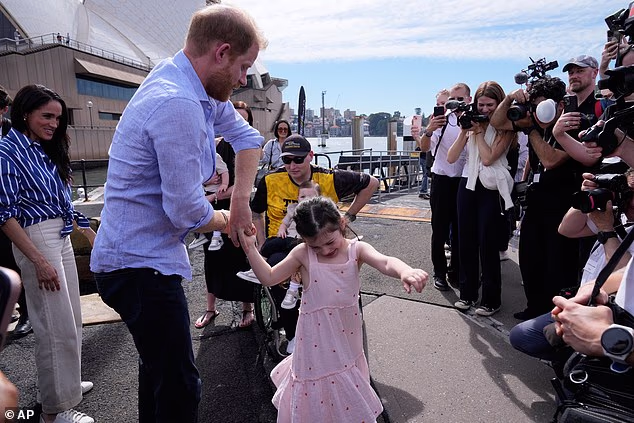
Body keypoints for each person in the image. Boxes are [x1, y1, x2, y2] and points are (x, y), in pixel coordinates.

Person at [90, 5, 266, 422]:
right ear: (222, 52)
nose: (244, 80)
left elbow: (248, 136)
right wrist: (232, 220)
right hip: (138, 266)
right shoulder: (179, 103)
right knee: (181, 386)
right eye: (243, 67)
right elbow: (186, 212)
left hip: (137, 259)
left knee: (158, 374)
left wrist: (239, 200)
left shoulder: (192, 86)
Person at [238, 196, 428, 422]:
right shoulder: (303, 254)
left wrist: (405, 271)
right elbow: (269, 277)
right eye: (315, 246)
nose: (324, 250)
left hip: (346, 340)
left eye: (330, 242)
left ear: (341, 224)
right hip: (314, 344)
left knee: (346, 393)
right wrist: (250, 249)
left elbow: (386, 261)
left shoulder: (356, 250)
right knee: (316, 392)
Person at [0, 84, 97, 423]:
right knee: (53, 326)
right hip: (36, 238)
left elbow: (60, 203)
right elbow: (4, 214)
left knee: (69, 319)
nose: (54, 123)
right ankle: (54, 413)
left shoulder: (42, 149)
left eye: (58, 117)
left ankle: (60, 387)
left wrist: (86, 229)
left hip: (59, 234)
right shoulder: (7, 151)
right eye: (47, 116)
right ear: (24, 112)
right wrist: (39, 260)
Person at [248, 134, 379, 353]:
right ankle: (292, 334)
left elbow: (371, 183)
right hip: (283, 245)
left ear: (310, 156)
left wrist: (349, 216)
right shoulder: (270, 180)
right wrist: (262, 243)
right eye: (286, 160)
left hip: (323, 244)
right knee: (279, 269)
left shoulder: (329, 178)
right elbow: (255, 212)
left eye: (298, 160)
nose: (292, 165)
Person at [510, 169, 634, 370]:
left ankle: (586, 361)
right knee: (522, 335)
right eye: (629, 194)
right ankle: (575, 358)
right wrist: (586, 197)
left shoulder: (610, 224)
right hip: (586, 298)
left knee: (536, 338)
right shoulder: (618, 217)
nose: (631, 203)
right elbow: (566, 229)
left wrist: (606, 231)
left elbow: (626, 275)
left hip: (615, 314)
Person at [490, 76, 584, 321]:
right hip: (537, 201)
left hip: (563, 204)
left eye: (543, 105)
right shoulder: (533, 123)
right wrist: (511, 98)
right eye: (535, 105)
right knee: (530, 257)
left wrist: (531, 130)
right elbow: (497, 122)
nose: (538, 112)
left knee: (557, 264)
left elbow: (552, 160)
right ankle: (534, 308)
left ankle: (555, 317)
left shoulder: (570, 127)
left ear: (559, 105)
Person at [446, 81, 515, 316]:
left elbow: (488, 158)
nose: (484, 109)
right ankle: (467, 293)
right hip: (467, 184)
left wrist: (479, 134)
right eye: (481, 104)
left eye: (490, 105)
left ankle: (491, 298)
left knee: (487, 244)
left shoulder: (506, 128)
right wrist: (465, 131)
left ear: (499, 104)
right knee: (465, 242)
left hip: (490, 188)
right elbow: (452, 157)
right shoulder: (471, 123)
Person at [197, 100, 258, 330]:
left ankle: (247, 308)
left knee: (241, 255)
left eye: (244, 118)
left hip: (236, 208)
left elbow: (246, 185)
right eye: (235, 117)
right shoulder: (214, 145)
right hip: (212, 211)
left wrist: (213, 197)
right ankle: (210, 308)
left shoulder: (248, 147)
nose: (238, 122)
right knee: (211, 259)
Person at [413, 84, 470, 291]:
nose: (454, 104)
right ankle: (440, 272)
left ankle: (456, 270)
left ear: (469, 99)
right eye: (448, 101)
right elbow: (425, 148)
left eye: (459, 99)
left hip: (464, 180)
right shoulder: (441, 120)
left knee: (461, 230)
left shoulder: (471, 119)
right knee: (439, 229)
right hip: (442, 178)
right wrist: (428, 130)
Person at [238, 180, 321, 310]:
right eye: (303, 197)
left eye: (311, 197)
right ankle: (259, 269)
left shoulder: (318, 212)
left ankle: (292, 289)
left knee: (277, 245)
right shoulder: (294, 209)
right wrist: (282, 229)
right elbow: (285, 223)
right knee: (273, 248)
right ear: (297, 198)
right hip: (288, 238)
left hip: (302, 242)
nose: (306, 200)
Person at [188, 151, 229, 251]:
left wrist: (224, 184)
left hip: (215, 191)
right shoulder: (194, 155)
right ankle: (201, 234)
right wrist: (206, 181)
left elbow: (224, 171)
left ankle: (216, 237)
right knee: (199, 211)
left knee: (215, 214)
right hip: (202, 191)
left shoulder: (214, 156)